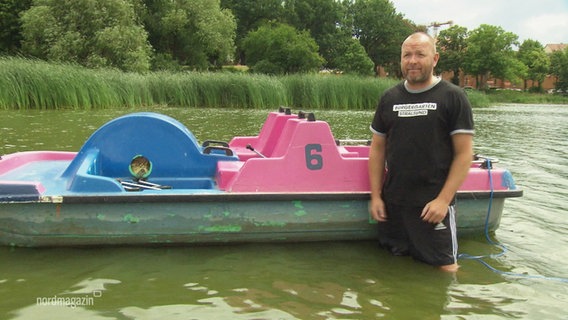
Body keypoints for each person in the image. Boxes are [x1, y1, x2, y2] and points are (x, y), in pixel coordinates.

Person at [368, 32, 474, 272]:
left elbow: (464, 154)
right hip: (393, 204)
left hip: (432, 207)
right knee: (393, 270)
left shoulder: (453, 97)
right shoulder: (389, 98)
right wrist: (376, 196)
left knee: (446, 271)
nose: (412, 61)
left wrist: (443, 201)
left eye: (420, 54)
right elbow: (377, 150)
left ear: (435, 59)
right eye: (407, 55)